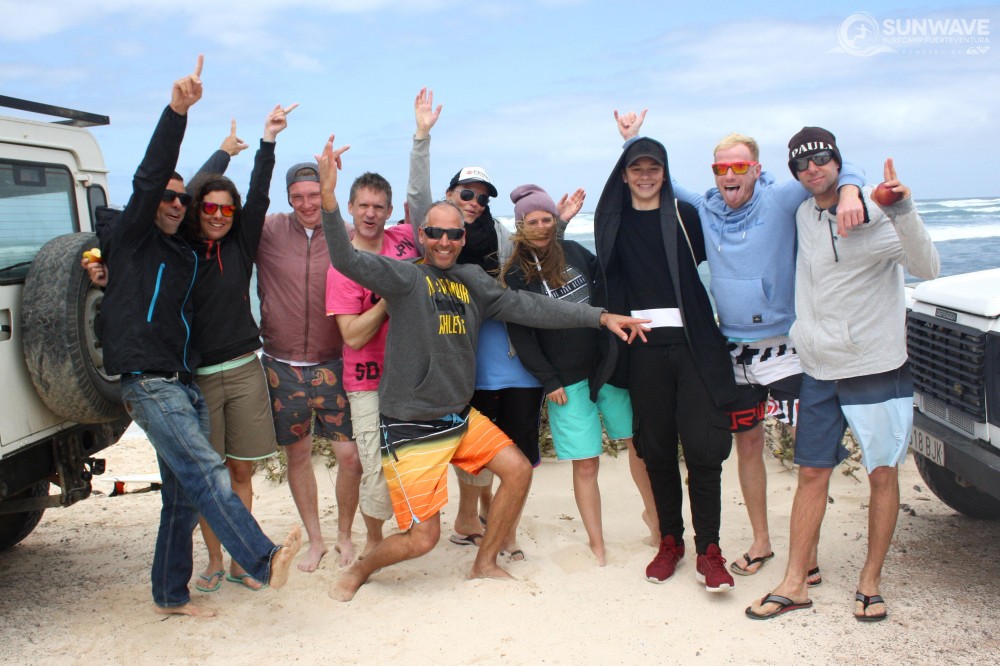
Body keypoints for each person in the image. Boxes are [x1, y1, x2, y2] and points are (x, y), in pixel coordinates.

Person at [316, 135, 648, 601]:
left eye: (454, 235)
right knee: (422, 539)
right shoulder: (406, 277)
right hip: (411, 422)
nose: (445, 242)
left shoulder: (473, 281)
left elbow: (531, 306)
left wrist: (600, 317)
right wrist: (329, 199)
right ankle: (360, 570)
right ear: (422, 236)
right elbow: (346, 258)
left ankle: (485, 562)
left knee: (518, 470)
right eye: (435, 233)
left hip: (457, 416)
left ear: (463, 238)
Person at [616, 110, 865, 578]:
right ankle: (761, 541)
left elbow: (830, 171)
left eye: (738, 166)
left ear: (756, 168)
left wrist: (850, 190)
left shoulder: (780, 198)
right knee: (748, 448)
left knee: (808, 455)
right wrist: (633, 139)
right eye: (721, 168)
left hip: (784, 348)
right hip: (732, 352)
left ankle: (807, 553)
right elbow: (657, 182)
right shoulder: (707, 207)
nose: (729, 175)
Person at [98, 57, 300, 616]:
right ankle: (261, 559)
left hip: (183, 380)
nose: (176, 204)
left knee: (182, 497)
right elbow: (152, 179)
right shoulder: (135, 240)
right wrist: (176, 113)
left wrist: (245, 150)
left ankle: (170, 594)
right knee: (208, 471)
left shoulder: (184, 251)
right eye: (169, 198)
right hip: (148, 381)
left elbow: (228, 198)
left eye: (181, 199)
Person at [746, 128, 939, 621]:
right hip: (818, 367)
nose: (812, 169)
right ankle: (794, 583)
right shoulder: (803, 213)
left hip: (874, 367)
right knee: (811, 472)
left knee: (881, 474)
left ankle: (870, 581)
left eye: (821, 159)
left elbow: (928, 267)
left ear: (837, 159)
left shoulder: (875, 212)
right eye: (802, 164)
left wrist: (902, 209)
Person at [594, 133, 737, 593]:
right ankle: (670, 542)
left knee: (703, 450)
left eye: (653, 168)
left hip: (693, 347)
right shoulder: (612, 222)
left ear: (665, 172)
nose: (645, 176)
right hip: (644, 350)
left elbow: (724, 248)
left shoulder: (685, 214)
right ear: (624, 176)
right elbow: (608, 279)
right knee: (656, 451)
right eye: (636, 168)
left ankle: (709, 550)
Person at [180, 105, 295, 591]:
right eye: (210, 208)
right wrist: (222, 155)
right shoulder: (183, 248)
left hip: (246, 369)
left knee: (241, 472)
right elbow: (187, 191)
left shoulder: (241, 244)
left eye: (227, 210)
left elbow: (260, 192)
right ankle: (212, 560)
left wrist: (267, 142)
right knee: (212, 478)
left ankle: (242, 562)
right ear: (198, 210)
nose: (219, 216)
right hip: (201, 378)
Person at [322, 88, 437, 559]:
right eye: (363, 206)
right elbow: (351, 336)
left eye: (378, 207)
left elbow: (424, 204)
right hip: (367, 383)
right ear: (350, 209)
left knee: (412, 462)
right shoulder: (342, 266)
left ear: (389, 212)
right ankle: (372, 543)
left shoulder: (405, 240)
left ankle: (408, 532)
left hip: (412, 376)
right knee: (376, 469)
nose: (371, 213)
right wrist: (392, 296)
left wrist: (421, 137)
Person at [501, 184, 632, 566]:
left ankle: (656, 522)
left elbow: (607, 287)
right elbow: (520, 334)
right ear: (520, 226)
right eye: (532, 221)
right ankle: (597, 542)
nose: (541, 226)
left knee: (636, 444)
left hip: (606, 367)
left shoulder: (574, 251)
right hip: (565, 380)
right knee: (586, 462)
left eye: (547, 219)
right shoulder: (516, 274)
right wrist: (548, 379)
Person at [256, 158, 358, 571]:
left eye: (314, 194)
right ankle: (316, 540)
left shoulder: (345, 234)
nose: (307, 204)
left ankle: (345, 535)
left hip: (334, 361)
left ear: (325, 192)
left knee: (349, 457)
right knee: (297, 456)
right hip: (281, 364)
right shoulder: (268, 231)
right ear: (287, 198)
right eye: (297, 197)